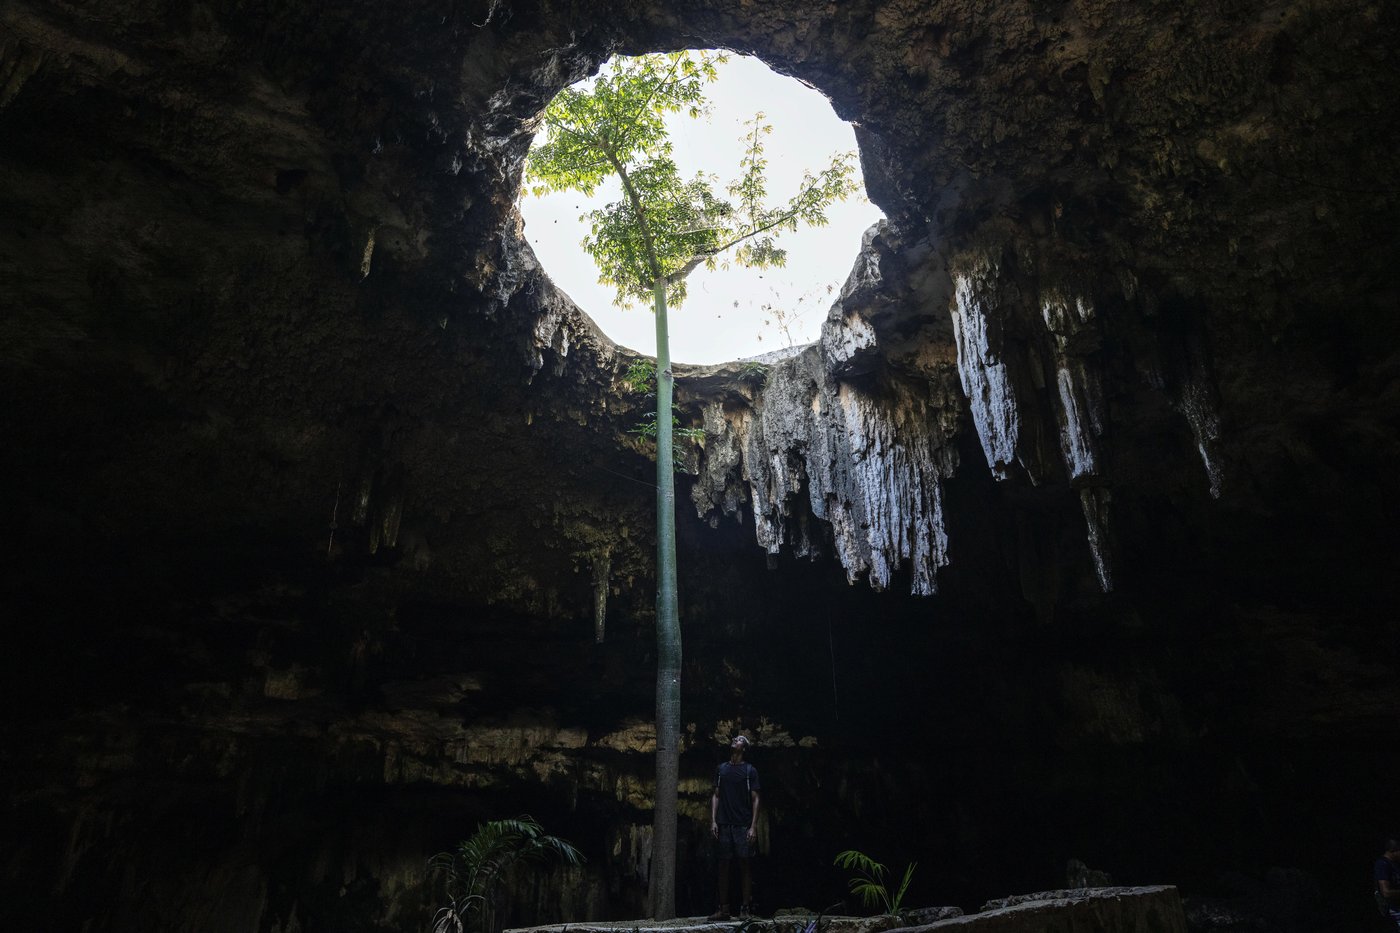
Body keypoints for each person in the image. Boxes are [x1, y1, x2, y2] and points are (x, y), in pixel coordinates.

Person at [708, 734, 760, 921]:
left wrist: (753, 826)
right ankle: (724, 909)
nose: (735, 740)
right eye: (735, 739)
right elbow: (716, 796)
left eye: (739, 740)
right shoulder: (721, 769)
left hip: (742, 825)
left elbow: (755, 799)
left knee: (745, 864)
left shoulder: (749, 771)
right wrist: (713, 820)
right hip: (724, 824)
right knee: (723, 865)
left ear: (744, 748)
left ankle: (745, 909)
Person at [1377, 838, 1400, 928]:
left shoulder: (1395, 864)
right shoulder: (1382, 864)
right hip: (1394, 911)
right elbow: (1386, 892)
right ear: (1392, 851)